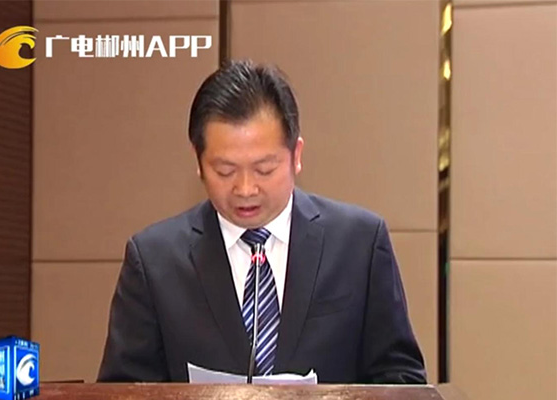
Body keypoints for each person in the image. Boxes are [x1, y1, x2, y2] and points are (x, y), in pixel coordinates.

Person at [97, 60, 426, 384]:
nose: (245, 189)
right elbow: (123, 390)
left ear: (296, 155)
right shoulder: (154, 261)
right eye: (224, 171)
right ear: (198, 161)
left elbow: (402, 380)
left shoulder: (359, 244)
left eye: (264, 169)